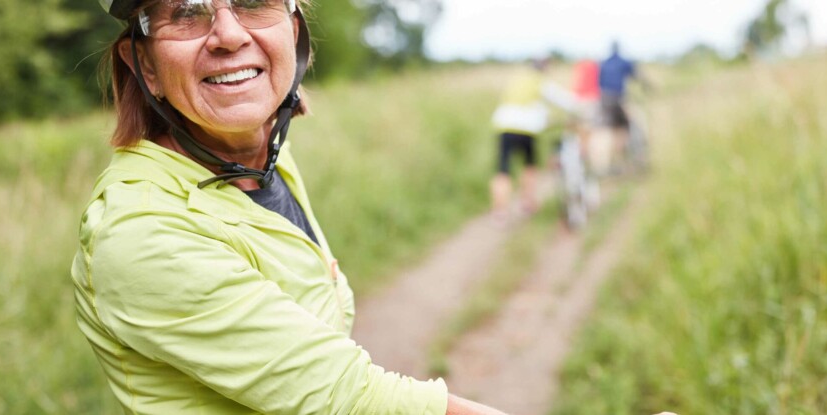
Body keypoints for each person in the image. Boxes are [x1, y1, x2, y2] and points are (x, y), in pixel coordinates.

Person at [70, 1, 506, 413]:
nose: (229, 34)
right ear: (145, 65)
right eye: (186, 11)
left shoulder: (260, 156)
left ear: (292, 29)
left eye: (254, 2)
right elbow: (349, 400)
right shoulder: (144, 230)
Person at [489, 58, 575, 220]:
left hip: (504, 127)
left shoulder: (516, 79)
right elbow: (564, 100)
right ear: (544, 68)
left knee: (502, 170)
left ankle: (500, 210)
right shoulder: (539, 81)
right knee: (529, 166)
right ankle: (527, 202)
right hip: (526, 130)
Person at [597, 41, 645, 174]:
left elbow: (599, 83)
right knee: (635, 124)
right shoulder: (624, 62)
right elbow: (636, 75)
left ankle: (611, 164)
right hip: (619, 100)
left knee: (612, 131)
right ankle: (638, 158)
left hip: (605, 101)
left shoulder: (604, 63)